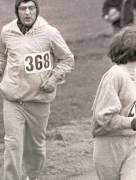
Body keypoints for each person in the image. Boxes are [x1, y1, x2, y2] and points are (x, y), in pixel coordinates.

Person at [0, 0, 75, 180]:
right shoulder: (7, 32)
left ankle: (31, 176)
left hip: (39, 100)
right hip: (13, 99)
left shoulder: (49, 33)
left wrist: (54, 78)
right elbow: (2, 57)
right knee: (13, 145)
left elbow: (67, 59)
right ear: (17, 11)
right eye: (23, 8)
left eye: (31, 8)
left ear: (37, 10)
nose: (27, 12)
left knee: (36, 147)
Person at [91, 27, 136, 180]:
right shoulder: (115, 76)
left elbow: (133, 102)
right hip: (111, 143)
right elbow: (103, 117)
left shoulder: (135, 73)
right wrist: (131, 122)